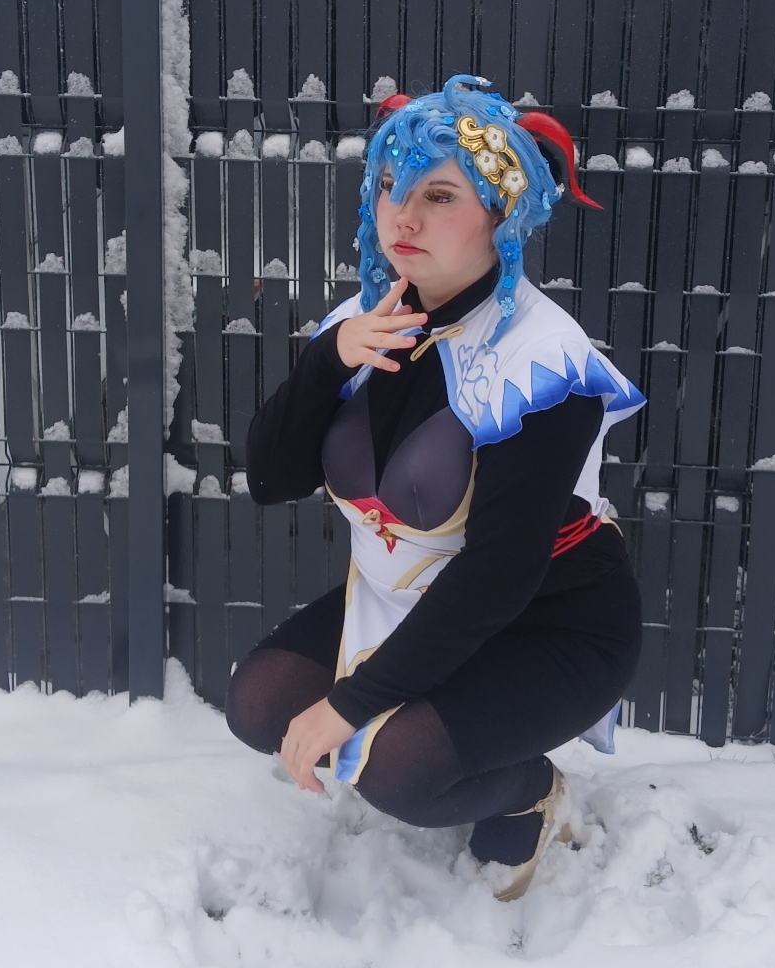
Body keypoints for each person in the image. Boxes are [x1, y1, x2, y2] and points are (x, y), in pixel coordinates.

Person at [225, 74, 645, 899]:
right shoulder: (367, 316)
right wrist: (327, 358)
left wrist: (349, 706)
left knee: (397, 771)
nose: (401, 216)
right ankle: (431, 724)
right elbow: (270, 479)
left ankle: (530, 793)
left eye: (439, 194)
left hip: (547, 621)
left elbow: (496, 577)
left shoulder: (543, 364)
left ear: (503, 213)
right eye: (388, 186)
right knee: (259, 701)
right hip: (406, 597)